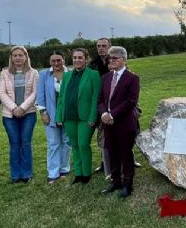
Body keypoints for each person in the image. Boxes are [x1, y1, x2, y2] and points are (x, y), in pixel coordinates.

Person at [98, 46, 140, 198]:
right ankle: (115, 182)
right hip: (107, 124)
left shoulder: (132, 78)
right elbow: (100, 100)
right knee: (112, 152)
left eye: (115, 58)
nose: (111, 60)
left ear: (124, 59)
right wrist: (103, 113)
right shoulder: (106, 77)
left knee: (125, 154)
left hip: (124, 123)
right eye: (110, 58)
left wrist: (112, 114)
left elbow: (131, 101)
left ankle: (127, 185)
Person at [55, 48, 101, 184]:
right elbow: (62, 97)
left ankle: (86, 173)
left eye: (80, 58)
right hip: (69, 116)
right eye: (75, 58)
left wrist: (93, 117)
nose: (77, 60)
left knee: (83, 144)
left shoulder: (93, 75)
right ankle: (78, 174)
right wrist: (59, 116)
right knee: (74, 145)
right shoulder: (67, 75)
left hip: (85, 117)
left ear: (86, 59)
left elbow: (95, 98)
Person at [0, 46, 39, 183]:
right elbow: (1, 93)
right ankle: (15, 175)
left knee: (26, 143)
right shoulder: (4, 73)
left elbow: (35, 93)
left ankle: (26, 173)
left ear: (26, 57)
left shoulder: (34, 73)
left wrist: (22, 108)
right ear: (11, 58)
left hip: (29, 113)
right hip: (9, 115)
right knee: (14, 144)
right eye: (14, 55)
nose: (17, 58)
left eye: (20, 55)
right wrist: (14, 108)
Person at [36, 51, 71, 184]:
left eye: (59, 60)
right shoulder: (44, 74)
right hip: (51, 114)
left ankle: (64, 170)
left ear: (64, 60)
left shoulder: (71, 73)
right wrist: (43, 112)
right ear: (50, 62)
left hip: (67, 115)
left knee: (66, 142)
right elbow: (40, 95)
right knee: (53, 143)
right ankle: (53, 173)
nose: (56, 63)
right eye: (53, 61)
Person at [90, 38, 111, 175]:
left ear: (110, 46)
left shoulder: (115, 60)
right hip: (100, 104)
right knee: (102, 136)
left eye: (104, 45)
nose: (101, 48)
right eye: (98, 46)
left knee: (123, 133)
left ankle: (129, 158)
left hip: (115, 103)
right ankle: (104, 163)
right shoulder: (93, 65)